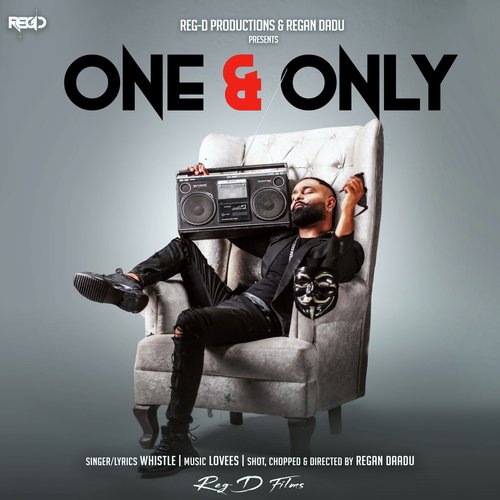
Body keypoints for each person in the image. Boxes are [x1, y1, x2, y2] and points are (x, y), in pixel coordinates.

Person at [73, 163, 365, 476]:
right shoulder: (280, 237)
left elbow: (337, 266)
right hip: (233, 302)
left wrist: (349, 204)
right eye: (294, 193)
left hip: (264, 315)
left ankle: (177, 438)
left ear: (329, 203)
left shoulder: (335, 248)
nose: (297, 197)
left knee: (191, 320)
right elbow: (224, 224)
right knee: (183, 246)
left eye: (307, 191)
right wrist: (204, 183)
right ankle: (128, 283)